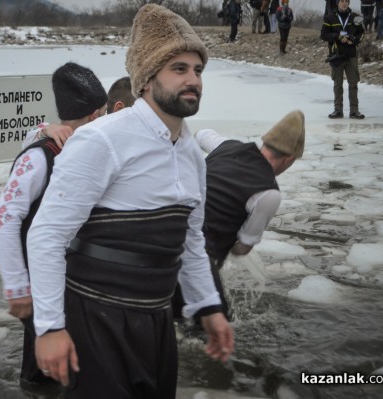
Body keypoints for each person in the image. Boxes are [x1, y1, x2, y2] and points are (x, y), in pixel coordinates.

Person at [27, 4, 234, 398]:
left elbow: (190, 242)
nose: (193, 79)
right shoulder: (102, 140)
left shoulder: (191, 154)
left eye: (198, 69)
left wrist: (208, 306)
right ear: (146, 79)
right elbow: (48, 236)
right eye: (179, 69)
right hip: (95, 318)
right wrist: (50, 328)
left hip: (156, 319)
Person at [0, 62, 107, 391]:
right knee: (45, 367)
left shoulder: (88, 147)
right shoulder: (40, 157)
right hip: (40, 277)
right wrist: (17, 288)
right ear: (97, 115)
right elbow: (3, 218)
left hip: (72, 277)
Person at [174, 111, 305, 320]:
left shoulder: (226, 146)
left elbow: (201, 134)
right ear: (289, 158)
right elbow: (243, 248)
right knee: (213, 332)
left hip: (166, 234)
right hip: (197, 256)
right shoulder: (268, 193)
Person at [321, 0, 366, 119]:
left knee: (353, 83)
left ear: (349, 3)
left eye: (346, 1)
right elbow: (323, 34)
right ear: (337, 3)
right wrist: (337, 36)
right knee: (337, 84)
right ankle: (338, 110)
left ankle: (354, 111)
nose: (344, 3)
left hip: (351, 54)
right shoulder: (330, 18)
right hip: (337, 55)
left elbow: (362, 33)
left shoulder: (356, 17)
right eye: (342, 1)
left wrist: (354, 40)